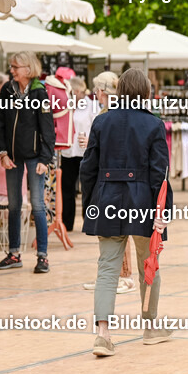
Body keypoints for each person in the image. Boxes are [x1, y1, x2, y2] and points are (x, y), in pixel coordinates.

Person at [81, 69, 172, 356]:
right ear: (145, 92)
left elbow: (88, 169)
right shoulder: (154, 125)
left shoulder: (101, 121)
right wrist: (163, 212)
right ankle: (149, 328)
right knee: (149, 264)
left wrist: (89, 205)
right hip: (143, 202)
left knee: (107, 268)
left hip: (106, 198)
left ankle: (103, 334)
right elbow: (161, 175)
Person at [0, 51, 56, 274]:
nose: (11, 70)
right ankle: (14, 254)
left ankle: (43, 257)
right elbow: (0, 123)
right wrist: (2, 153)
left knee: (38, 205)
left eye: (15, 67)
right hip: (12, 157)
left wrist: (45, 158)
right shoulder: (6, 91)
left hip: (35, 157)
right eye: (11, 66)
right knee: (13, 205)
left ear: (28, 70)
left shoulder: (40, 92)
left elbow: (48, 128)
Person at [82, 71, 134, 294]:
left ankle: (123, 277)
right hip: (114, 180)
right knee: (111, 233)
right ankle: (109, 276)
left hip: (113, 180)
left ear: (101, 91)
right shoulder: (108, 113)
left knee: (118, 232)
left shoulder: (108, 115)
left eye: (96, 89)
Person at [59, 77, 95, 232]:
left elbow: (96, 126)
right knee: (67, 188)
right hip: (68, 152)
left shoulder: (91, 106)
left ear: (78, 91)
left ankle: (89, 221)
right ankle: (68, 222)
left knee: (87, 187)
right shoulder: (67, 105)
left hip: (84, 152)